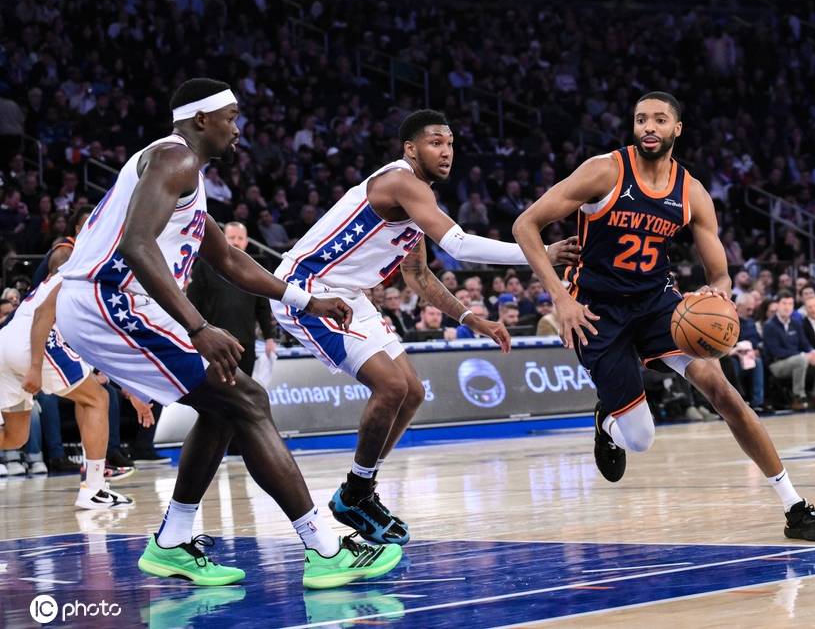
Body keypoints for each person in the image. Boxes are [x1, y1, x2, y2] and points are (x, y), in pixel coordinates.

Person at [56, 78, 400, 589]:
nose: (238, 129)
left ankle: (173, 541)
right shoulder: (175, 158)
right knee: (250, 400)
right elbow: (135, 244)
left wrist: (308, 301)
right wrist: (197, 326)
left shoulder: (187, 180)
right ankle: (324, 548)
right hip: (108, 298)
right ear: (202, 120)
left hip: (110, 300)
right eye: (232, 117)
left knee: (223, 404)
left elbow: (231, 261)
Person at [513, 92, 815, 541]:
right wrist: (560, 300)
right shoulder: (604, 170)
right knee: (641, 439)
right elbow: (525, 225)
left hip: (657, 303)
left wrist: (717, 293)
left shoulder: (692, 192)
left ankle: (795, 507)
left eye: (659, 120)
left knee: (724, 393)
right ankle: (608, 421)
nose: (649, 127)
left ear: (676, 129)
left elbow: (720, 275)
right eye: (641, 119)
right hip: (595, 308)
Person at [272, 109, 579, 546]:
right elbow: (460, 245)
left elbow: (417, 276)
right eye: (436, 143)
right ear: (410, 149)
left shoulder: (418, 201)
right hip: (307, 287)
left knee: (412, 392)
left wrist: (471, 318)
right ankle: (356, 494)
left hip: (349, 295)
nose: (446, 151)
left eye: (450, 143)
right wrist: (539, 252)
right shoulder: (401, 182)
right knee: (391, 386)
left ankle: (358, 490)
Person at [0, 275, 134, 508]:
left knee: (15, 437)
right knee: (97, 398)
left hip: (6, 345)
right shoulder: (87, 271)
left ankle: (94, 481)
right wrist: (35, 366)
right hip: (33, 343)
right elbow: (44, 313)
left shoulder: (73, 269)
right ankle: (94, 488)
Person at [187, 221, 277, 377]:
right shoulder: (203, 266)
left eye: (240, 238)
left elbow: (262, 307)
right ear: (222, 239)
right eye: (232, 237)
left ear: (246, 242)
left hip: (246, 343)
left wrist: (269, 337)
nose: (236, 242)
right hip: (213, 342)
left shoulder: (255, 269)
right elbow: (192, 303)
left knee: (246, 386)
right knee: (216, 388)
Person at [763, 291, 815, 411]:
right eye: (784, 303)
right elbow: (776, 352)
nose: (787, 307)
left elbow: (804, 343)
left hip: (798, 360)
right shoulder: (770, 325)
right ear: (778, 305)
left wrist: (812, 352)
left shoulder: (796, 323)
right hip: (777, 364)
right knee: (801, 360)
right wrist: (803, 355)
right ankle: (798, 397)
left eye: (790, 304)